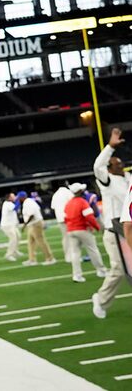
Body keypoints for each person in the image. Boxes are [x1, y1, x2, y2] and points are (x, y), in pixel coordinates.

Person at [92, 128, 132, 318]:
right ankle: (101, 299)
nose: (120, 165)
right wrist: (109, 147)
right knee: (118, 268)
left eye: (120, 162)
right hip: (115, 232)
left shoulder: (128, 179)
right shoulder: (107, 181)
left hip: (129, 230)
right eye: (115, 163)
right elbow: (97, 167)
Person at [64, 184, 107, 283]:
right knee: (93, 250)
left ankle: (77, 275)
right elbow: (89, 217)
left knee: (75, 253)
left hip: (71, 230)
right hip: (82, 229)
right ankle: (101, 270)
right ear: (80, 191)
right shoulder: (82, 202)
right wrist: (97, 227)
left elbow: (65, 217)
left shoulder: (68, 203)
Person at [19, 191, 56, 266]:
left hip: (35, 224)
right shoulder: (30, 202)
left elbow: (31, 214)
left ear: (22, 197)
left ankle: (50, 258)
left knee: (41, 241)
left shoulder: (28, 203)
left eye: (19, 198)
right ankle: (32, 259)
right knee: (31, 243)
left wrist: (25, 225)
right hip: (33, 224)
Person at [50, 184, 74, 262]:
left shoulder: (55, 195)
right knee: (72, 237)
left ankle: (67, 256)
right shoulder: (68, 192)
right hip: (69, 217)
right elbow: (73, 203)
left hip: (60, 219)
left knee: (65, 237)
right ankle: (73, 255)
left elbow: (53, 207)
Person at [1, 193, 22, 261]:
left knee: (18, 236)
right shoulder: (7, 204)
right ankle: (8, 254)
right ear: (9, 198)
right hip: (7, 225)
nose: (15, 197)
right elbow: (15, 208)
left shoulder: (10, 203)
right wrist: (18, 200)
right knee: (13, 239)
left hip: (12, 225)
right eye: (13, 196)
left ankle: (15, 251)